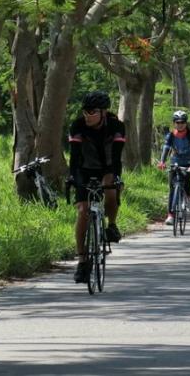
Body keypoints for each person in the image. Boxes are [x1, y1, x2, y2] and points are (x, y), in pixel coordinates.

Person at [68, 91, 125, 283]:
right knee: (83, 210)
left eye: (91, 111)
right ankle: (83, 261)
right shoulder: (78, 125)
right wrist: (73, 179)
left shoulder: (116, 126)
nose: (86, 115)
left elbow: (117, 157)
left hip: (108, 167)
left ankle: (112, 225)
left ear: (103, 112)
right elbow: (74, 158)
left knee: (110, 185)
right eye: (84, 111)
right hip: (85, 169)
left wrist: (116, 178)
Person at [157, 110, 190, 225]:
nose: (180, 124)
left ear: (186, 123)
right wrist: (162, 162)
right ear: (174, 123)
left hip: (189, 164)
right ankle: (171, 215)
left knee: (185, 179)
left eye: (182, 122)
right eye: (177, 122)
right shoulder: (170, 135)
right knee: (172, 187)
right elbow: (166, 149)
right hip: (175, 163)